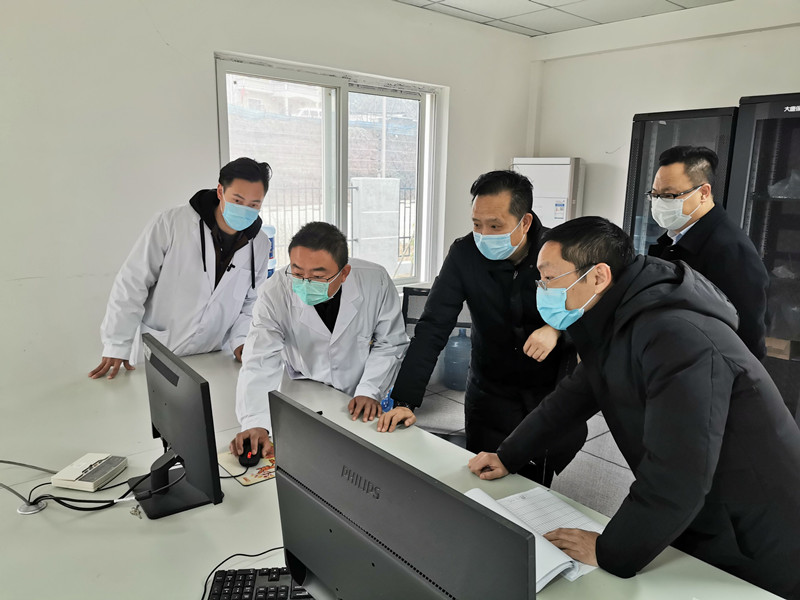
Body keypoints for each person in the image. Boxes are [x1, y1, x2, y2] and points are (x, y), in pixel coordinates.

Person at [468, 216, 800, 600]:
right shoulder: (617, 316)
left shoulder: (677, 335)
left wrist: (610, 550)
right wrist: (508, 455)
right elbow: (573, 397)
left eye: (549, 278)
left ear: (598, 276)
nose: (541, 289)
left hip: (755, 526)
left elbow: (678, 471)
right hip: (702, 507)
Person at [379, 170, 587, 486]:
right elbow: (433, 326)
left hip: (547, 390)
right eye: (477, 224)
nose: (484, 234)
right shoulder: (464, 254)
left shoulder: (559, 252)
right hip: (490, 387)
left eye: (495, 226)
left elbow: (589, 308)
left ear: (525, 222)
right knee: (481, 476)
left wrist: (556, 328)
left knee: (534, 481)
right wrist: (405, 401)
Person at [231, 221, 409, 459]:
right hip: (305, 386)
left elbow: (390, 343)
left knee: (361, 460)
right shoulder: (275, 292)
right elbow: (259, 359)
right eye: (297, 273)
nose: (305, 282)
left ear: (344, 273)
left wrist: (370, 390)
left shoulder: (375, 281)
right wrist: (255, 422)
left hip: (362, 395)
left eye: (317, 276)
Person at [90, 157, 272, 379]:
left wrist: (241, 339)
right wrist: (117, 344)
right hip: (163, 351)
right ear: (220, 191)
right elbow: (133, 282)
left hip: (215, 357)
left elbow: (252, 301)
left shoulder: (260, 244)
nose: (245, 210)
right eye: (237, 200)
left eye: (254, 205)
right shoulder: (171, 223)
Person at [647, 145, 769, 359]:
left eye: (669, 195)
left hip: (700, 368)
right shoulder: (675, 239)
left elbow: (748, 338)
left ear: (703, 192)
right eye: (654, 195)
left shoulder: (731, 250)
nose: (659, 203)